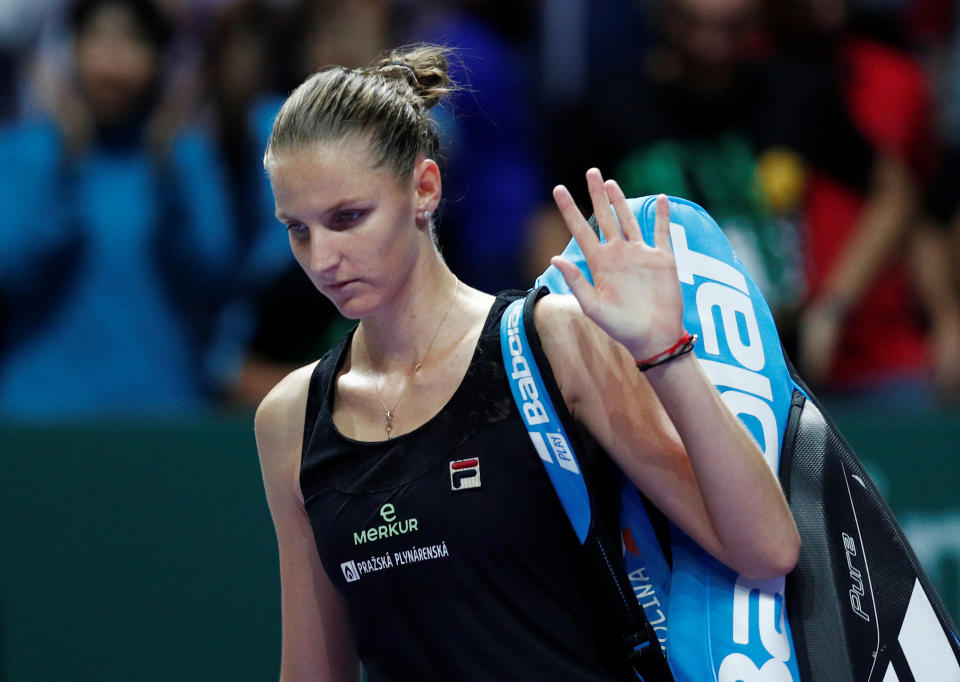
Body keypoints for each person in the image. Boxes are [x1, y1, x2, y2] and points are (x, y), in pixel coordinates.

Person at [254, 45, 800, 681]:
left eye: (347, 218)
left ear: (423, 189)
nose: (321, 259)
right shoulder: (290, 419)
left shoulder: (551, 341)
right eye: (298, 229)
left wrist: (664, 355)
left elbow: (765, 547)